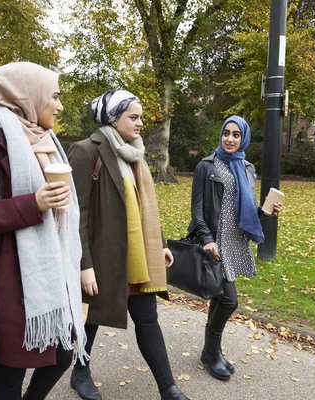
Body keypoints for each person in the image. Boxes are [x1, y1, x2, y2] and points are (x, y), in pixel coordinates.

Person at [0, 62, 87, 399]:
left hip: (45, 275)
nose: (59, 105)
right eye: (53, 97)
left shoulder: (47, 144)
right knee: (11, 369)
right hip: (7, 281)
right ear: (28, 98)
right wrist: (33, 204)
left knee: (61, 356)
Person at [67, 90, 189, 400]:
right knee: (92, 317)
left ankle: (169, 389)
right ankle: (80, 371)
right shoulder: (85, 152)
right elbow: (75, 215)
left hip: (137, 255)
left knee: (147, 318)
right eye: (133, 117)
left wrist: (159, 243)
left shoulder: (134, 152)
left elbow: (143, 204)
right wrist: (84, 265)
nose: (140, 123)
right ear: (112, 118)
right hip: (102, 256)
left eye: (140, 117)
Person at [188, 116, 281, 381]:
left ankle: (211, 352)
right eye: (226, 133)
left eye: (236, 135)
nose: (229, 139)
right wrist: (206, 238)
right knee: (229, 300)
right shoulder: (207, 166)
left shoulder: (247, 167)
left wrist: (264, 213)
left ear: (244, 139)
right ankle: (210, 352)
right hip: (215, 243)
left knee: (220, 297)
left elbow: (246, 210)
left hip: (235, 242)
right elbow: (197, 211)